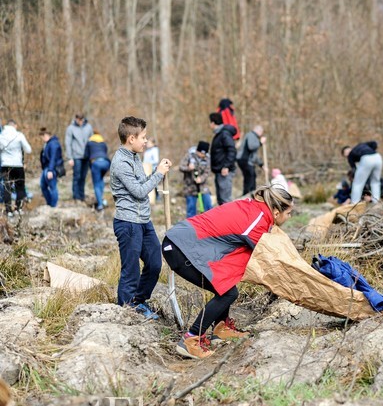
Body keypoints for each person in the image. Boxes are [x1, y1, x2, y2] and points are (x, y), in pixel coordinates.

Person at [162, 185, 294, 359]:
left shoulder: (254, 208)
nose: (290, 217)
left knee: (227, 286)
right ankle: (191, 339)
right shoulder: (258, 221)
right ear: (276, 212)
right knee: (228, 293)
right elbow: (265, 258)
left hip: (184, 243)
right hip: (181, 248)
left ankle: (221, 328)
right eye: (289, 213)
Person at [109, 116, 172, 319]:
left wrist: (156, 172)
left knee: (155, 262)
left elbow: (143, 182)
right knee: (131, 270)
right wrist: (159, 174)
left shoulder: (135, 157)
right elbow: (138, 191)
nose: (146, 140)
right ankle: (126, 311)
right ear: (131, 138)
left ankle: (138, 301)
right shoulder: (121, 162)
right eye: (143, 137)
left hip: (143, 221)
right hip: (127, 223)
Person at [0, 120, 32, 218]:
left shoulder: (1, 136)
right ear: (15, 125)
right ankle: (18, 208)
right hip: (18, 165)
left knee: (7, 188)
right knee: (20, 187)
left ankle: (9, 210)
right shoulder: (19, 135)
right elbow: (28, 149)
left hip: (6, 165)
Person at [209, 112, 237, 205]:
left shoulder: (224, 134)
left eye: (210, 123)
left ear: (213, 123)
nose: (209, 125)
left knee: (225, 200)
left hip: (224, 171)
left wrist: (226, 166)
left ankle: (231, 219)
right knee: (221, 200)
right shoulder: (219, 134)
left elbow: (232, 150)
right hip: (219, 171)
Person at [180, 141, 213, 218]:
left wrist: (201, 179)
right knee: (191, 209)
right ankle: (191, 227)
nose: (202, 155)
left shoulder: (207, 159)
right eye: (200, 153)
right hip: (190, 187)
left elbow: (207, 172)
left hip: (202, 186)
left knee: (208, 206)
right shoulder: (189, 156)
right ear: (197, 151)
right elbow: (181, 167)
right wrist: (188, 168)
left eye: (204, 154)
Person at [64, 113, 93, 202]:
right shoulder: (71, 128)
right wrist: (70, 157)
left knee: (83, 176)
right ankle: (76, 196)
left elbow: (92, 141)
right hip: (76, 156)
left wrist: (92, 155)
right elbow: (68, 143)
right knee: (77, 176)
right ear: (76, 119)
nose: (80, 121)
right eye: (78, 119)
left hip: (86, 156)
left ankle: (81, 195)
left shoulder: (88, 127)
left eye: (81, 119)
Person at [85, 131, 111, 212]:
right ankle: (102, 200)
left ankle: (100, 205)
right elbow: (105, 153)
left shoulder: (89, 143)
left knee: (96, 184)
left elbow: (86, 155)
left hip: (96, 163)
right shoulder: (103, 143)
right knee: (100, 180)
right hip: (106, 163)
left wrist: (90, 166)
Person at [237, 125, 266, 195]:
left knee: (251, 176)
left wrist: (261, 164)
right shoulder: (251, 135)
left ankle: (251, 193)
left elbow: (254, 155)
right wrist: (260, 143)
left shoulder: (254, 137)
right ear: (259, 131)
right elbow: (251, 146)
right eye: (261, 132)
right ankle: (248, 194)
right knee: (250, 176)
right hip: (244, 159)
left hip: (247, 160)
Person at [39, 128, 63, 208]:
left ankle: (53, 205)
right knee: (43, 185)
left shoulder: (53, 144)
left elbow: (53, 158)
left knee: (52, 186)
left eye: (42, 137)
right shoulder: (48, 143)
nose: (42, 139)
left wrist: (50, 170)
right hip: (46, 168)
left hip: (51, 168)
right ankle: (49, 203)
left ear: (46, 135)